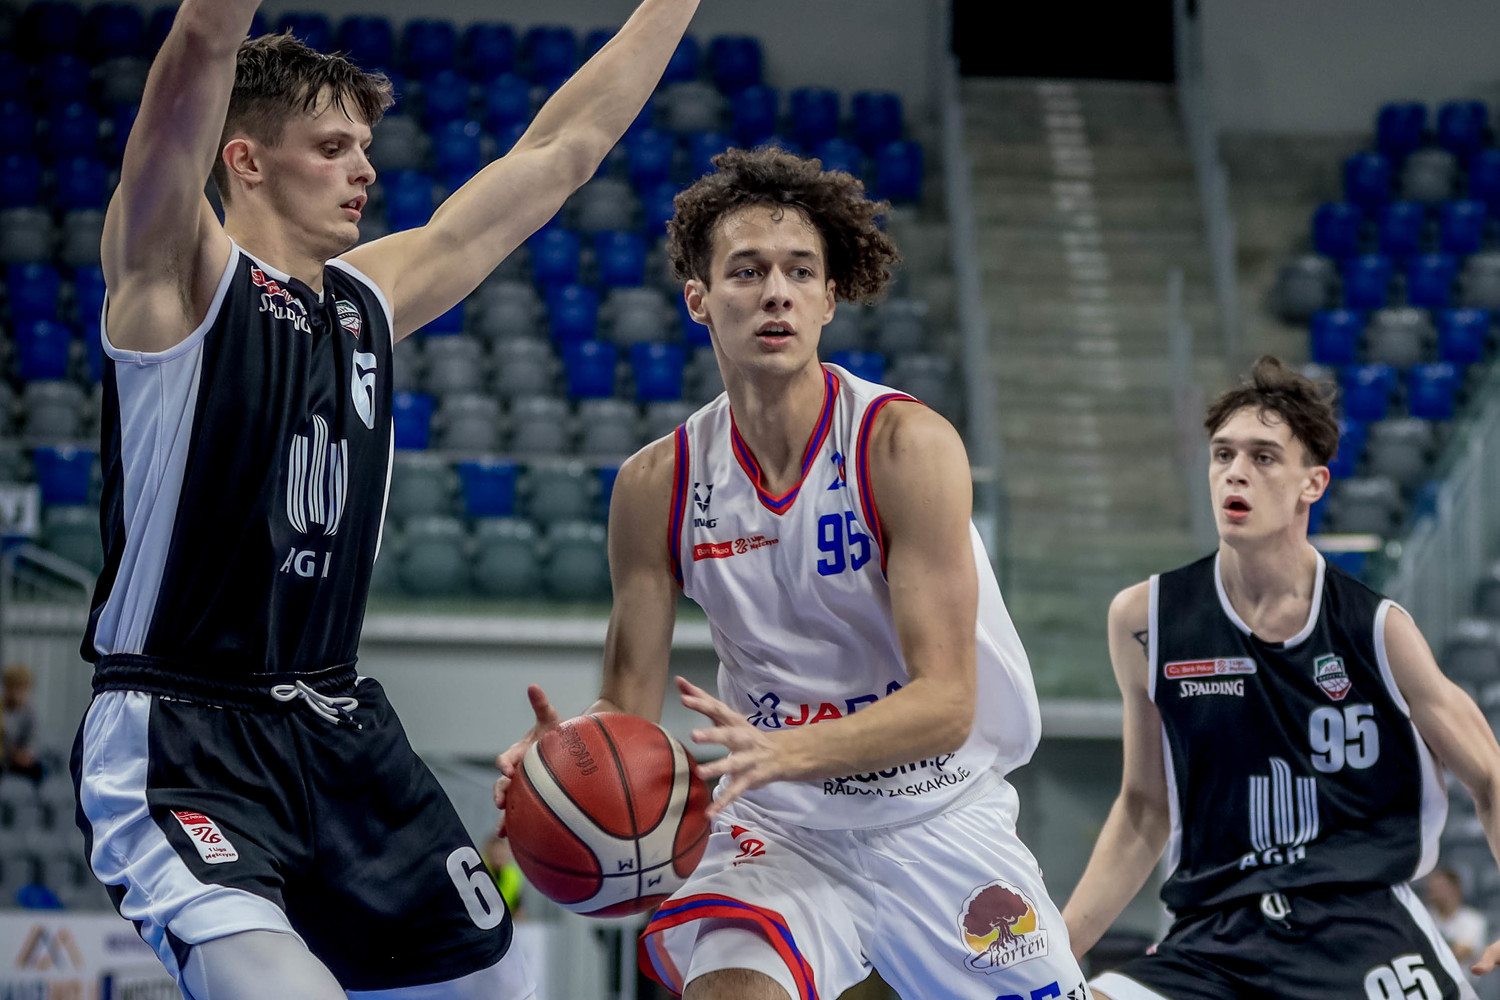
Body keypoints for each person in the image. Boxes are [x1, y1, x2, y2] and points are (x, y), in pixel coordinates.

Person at [68, 2, 697, 998]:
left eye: (364, 146)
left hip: (337, 724)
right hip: (182, 731)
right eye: (332, 147)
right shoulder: (176, 275)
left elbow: (562, 150)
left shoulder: (369, 299)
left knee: (499, 988)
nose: (364, 169)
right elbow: (200, 47)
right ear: (244, 160)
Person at [496, 147, 1089, 1000]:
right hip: (780, 828)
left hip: (937, 806)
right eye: (747, 271)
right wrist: (562, 762)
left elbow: (947, 704)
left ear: (828, 298)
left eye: (799, 271)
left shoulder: (903, 446)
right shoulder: (656, 485)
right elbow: (626, 705)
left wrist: (783, 749)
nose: (776, 291)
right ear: (698, 298)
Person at [1063, 357, 1500, 1000]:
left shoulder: (1376, 629)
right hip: (1216, 940)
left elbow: (1489, 774)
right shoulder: (1145, 620)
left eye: (1263, 457)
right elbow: (1144, 810)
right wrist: (1058, 950)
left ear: (1312, 484)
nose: (1235, 472)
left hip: (1359, 929)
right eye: (1223, 454)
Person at [1428, 868, 1488, 983]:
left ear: (1454, 889)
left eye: (1439, 888)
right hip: (1431, 984)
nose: (1433, 894)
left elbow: (1460, 952)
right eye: (1431, 889)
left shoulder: (1472, 920)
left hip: (1463, 985)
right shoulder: (1426, 918)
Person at [1, 663, 42, 782]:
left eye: (21, 688)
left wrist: (26, 754)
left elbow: (34, 738)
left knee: (39, 769)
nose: (16, 693)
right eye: (12, 687)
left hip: (21, 758)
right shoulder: (2, 709)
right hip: (5, 757)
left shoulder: (30, 712)